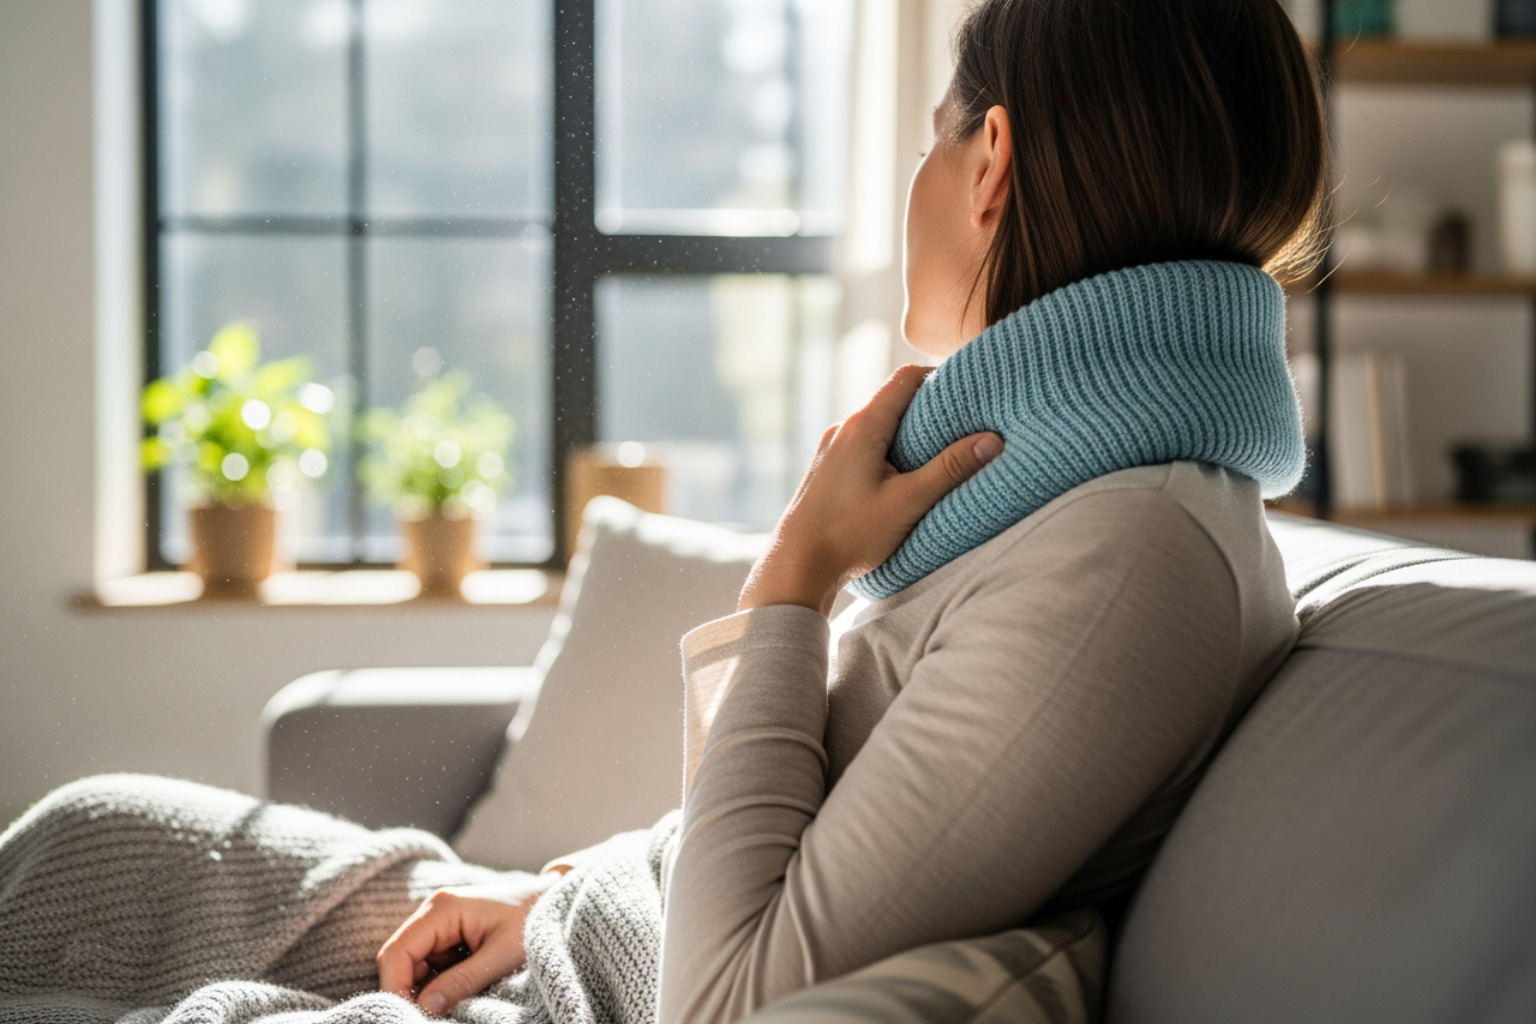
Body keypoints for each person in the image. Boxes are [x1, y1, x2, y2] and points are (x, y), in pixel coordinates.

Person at [0, 1, 1324, 1023]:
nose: (918, 174)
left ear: (993, 162)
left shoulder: (1130, 561)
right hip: (582, 935)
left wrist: (793, 581)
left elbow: (731, 994)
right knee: (93, 840)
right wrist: (552, 891)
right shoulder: (1062, 504)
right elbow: (789, 842)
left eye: (936, 130)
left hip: (607, 993)